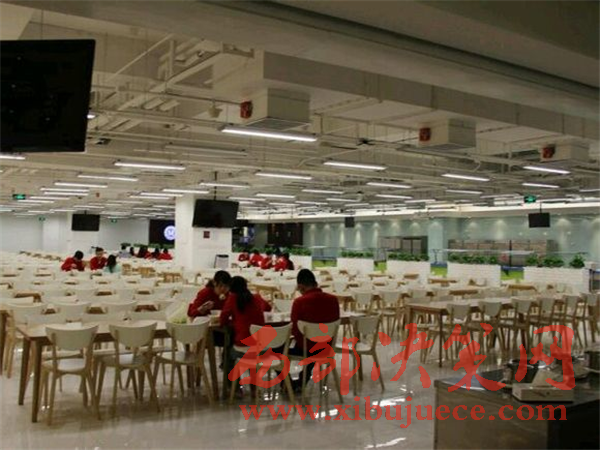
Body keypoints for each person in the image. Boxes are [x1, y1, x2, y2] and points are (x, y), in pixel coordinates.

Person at [290, 269, 340, 387]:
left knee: (276, 349)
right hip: (327, 347)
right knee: (314, 341)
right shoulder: (333, 299)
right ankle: (301, 381)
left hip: (307, 348)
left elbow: (295, 330)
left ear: (300, 287)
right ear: (316, 284)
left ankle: (287, 384)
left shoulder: (299, 302)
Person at [219, 276, 272, 347]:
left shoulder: (233, 298)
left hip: (243, 341)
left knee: (228, 344)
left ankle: (228, 354)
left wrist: (231, 322)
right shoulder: (256, 297)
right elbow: (268, 308)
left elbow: (223, 318)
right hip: (260, 342)